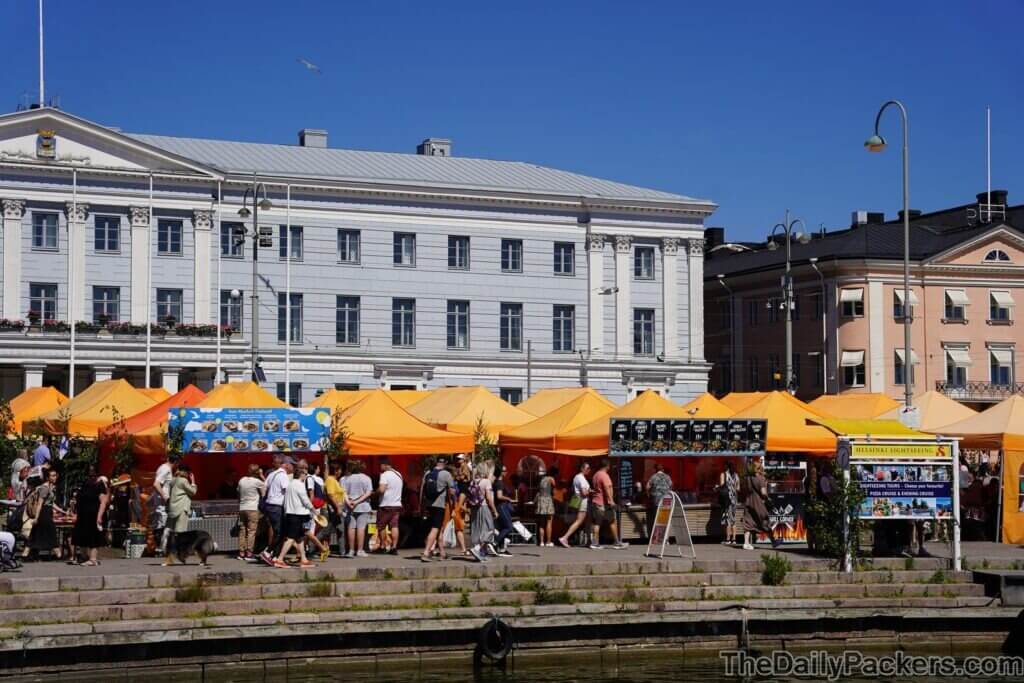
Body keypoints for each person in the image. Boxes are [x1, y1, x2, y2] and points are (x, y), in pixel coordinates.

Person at [274, 459, 316, 568]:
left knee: (300, 538)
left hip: (291, 513)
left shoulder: (291, 484)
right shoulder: (299, 485)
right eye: (305, 474)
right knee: (291, 538)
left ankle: (304, 559)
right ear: (301, 474)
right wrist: (313, 509)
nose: (306, 476)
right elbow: (305, 499)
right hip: (297, 515)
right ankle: (280, 559)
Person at [70, 466, 109, 567]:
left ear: (97, 475)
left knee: (93, 536)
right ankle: (84, 556)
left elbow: (103, 502)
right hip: (83, 514)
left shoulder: (100, 485)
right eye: (89, 475)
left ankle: (93, 559)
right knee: (81, 535)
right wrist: (76, 512)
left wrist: (99, 516)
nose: (91, 477)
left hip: (94, 514)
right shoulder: (85, 484)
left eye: (93, 475)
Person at [420, 456, 454, 562]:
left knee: (438, 528)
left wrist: (421, 505)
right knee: (435, 528)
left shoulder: (428, 473)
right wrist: (453, 505)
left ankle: (442, 553)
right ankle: (426, 552)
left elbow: (422, 489)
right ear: (445, 463)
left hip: (428, 504)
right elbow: (452, 492)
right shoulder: (446, 474)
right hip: (439, 505)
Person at [259, 455, 291, 565]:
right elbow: (287, 491)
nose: (292, 467)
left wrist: (266, 498)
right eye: (291, 465)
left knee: (280, 532)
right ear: (286, 465)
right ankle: (267, 553)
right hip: (277, 507)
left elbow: (264, 487)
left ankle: (275, 556)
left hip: (269, 505)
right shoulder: (283, 476)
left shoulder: (272, 474)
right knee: (279, 532)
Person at [163, 463, 198, 566]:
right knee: (180, 535)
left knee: (172, 535)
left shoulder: (173, 481)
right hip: (182, 509)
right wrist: (193, 481)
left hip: (173, 509)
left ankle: (171, 556)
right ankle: (179, 556)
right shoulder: (183, 481)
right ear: (186, 472)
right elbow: (193, 492)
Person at [28, 468, 65, 560]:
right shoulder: (45, 488)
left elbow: (51, 503)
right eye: (52, 475)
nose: (54, 477)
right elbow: (40, 504)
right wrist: (36, 518)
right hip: (44, 513)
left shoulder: (50, 487)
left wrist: (62, 511)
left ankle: (29, 554)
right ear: (47, 477)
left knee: (37, 533)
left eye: (55, 475)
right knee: (51, 532)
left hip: (47, 511)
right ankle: (59, 555)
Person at [589, 458, 626, 550]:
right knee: (612, 521)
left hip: (596, 502)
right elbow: (606, 488)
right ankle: (617, 542)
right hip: (604, 503)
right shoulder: (604, 475)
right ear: (607, 466)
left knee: (597, 522)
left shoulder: (595, 475)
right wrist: (611, 501)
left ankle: (594, 543)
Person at [742, 461, 778, 550]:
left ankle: (746, 543)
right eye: (761, 467)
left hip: (748, 501)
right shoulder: (761, 478)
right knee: (764, 520)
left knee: (748, 522)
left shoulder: (747, 478)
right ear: (759, 469)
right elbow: (763, 492)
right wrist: (767, 498)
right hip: (758, 502)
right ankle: (773, 541)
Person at [557, 461, 591, 548]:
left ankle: (589, 541)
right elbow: (583, 492)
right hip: (582, 501)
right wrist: (590, 491)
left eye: (589, 468)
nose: (589, 470)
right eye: (587, 468)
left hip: (578, 500)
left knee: (586, 521)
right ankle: (565, 537)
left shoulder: (576, 477)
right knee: (579, 521)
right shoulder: (582, 478)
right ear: (582, 468)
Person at [467, 461, 496, 562]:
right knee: (489, 529)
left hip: (475, 508)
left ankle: (482, 554)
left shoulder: (473, 481)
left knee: (478, 529)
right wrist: (494, 510)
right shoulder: (486, 482)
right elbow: (489, 498)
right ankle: (477, 549)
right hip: (484, 507)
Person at [344, 460, 373, 558]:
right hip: (363, 506)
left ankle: (351, 550)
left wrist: (350, 503)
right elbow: (368, 493)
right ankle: (360, 550)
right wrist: (357, 502)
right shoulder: (366, 478)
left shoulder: (346, 479)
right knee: (361, 528)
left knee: (351, 528)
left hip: (350, 506)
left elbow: (343, 493)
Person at [236, 463, 265, 561]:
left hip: (242, 507)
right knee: (251, 531)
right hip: (252, 508)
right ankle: (249, 553)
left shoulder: (242, 480)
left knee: (242, 530)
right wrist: (262, 476)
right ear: (257, 472)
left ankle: (241, 552)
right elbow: (266, 491)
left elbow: (238, 494)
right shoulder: (257, 482)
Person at [376, 458, 403, 555]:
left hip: (385, 505)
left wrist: (375, 492)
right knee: (394, 526)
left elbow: (382, 490)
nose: (380, 467)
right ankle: (394, 547)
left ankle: (383, 546)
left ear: (385, 465)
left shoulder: (384, 475)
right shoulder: (399, 474)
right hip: (397, 504)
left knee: (381, 526)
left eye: (380, 465)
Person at [304, 462, 330, 562]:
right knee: (311, 530)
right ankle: (311, 550)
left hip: (313, 507)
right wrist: (312, 508)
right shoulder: (315, 479)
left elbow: (311, 494)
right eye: (318, 468)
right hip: (315, 507)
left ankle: (308, 551)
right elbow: (314, 493)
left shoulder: (309, 479)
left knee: (309, 530)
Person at [152, 454, 177, 557]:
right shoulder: (165, 469)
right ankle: (160, 549)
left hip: (163, 503)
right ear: (176, 463)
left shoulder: (165, 468)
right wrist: (165, 497)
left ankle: (163, 548)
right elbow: (156, 484)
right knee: (161, 525)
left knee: (164, 525)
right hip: (162, 503)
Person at [449, 454, 472, 557]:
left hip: (459, 499)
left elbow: (463, 477)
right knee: (458, 528)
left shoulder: (465, 469)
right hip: (458, 501)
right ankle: (463, 549)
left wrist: (458, 509)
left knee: (458, 527)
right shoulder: (460, 470)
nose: (458, 461)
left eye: (460, 459)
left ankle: (463, 549)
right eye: (457, 459)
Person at [646, 463, 674, 541]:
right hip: (667, 501)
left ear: (655, 470)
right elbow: (671, 486)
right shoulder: (667, 477)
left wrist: (649, 496)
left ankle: (657, 538)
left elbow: (647, 487)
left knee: (657, 520)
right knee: (666, 520)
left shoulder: (653, 477)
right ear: (663, 470)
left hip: (656, 501)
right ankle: (666, 539)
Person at [325, 462, 347, 555]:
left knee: (340, 530)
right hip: (334, 508)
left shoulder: (335, 480)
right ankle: (313, 546)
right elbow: (330, 494)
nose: (341, 471)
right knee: (326, 530)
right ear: (336, 471)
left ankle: (342, 551)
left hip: (338, 507)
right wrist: (338, 507)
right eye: (340, 469)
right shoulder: (330, 480)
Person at [534, 465, 557, 547]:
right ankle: (548, 541)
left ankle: (541, 542)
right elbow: (554, 490)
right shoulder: (551, 479)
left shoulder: (542, 479)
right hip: (547, 499)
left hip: (541, 500)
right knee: (549, 521)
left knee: (541, 522)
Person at [718, 461, 739, 545]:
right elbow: (738, 488)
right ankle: (734, 539)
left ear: (726, 466)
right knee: (733, 518)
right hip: (734, 500)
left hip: (727, 499)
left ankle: (728, 539)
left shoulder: (723, 474)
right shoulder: (736, 475)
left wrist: (717, 487)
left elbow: (722, 485)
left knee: (728, 520)